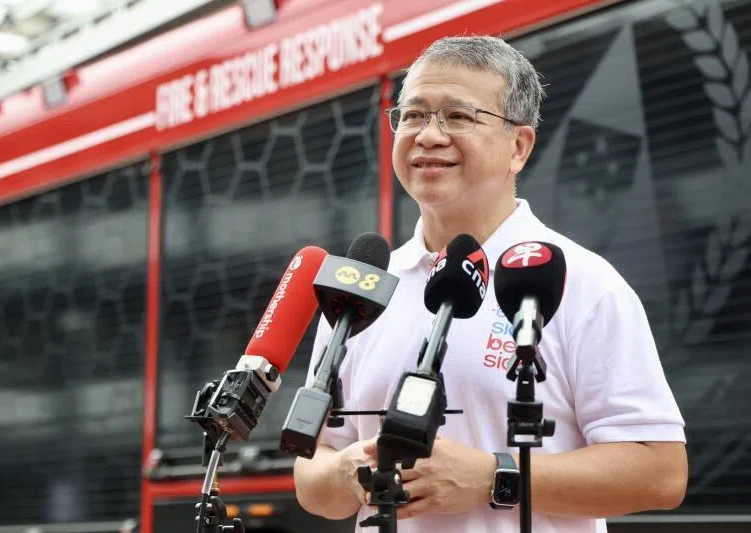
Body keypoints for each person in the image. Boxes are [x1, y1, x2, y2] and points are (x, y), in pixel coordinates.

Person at [293, 35, 687, 533]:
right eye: (412, 115)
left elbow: (661, 472)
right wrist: (345, 471)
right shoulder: (362, 291)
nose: (428, 136)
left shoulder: (581, 283)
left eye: (457, 117)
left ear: (518, 147)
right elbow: (314, 477)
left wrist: (492, 476)